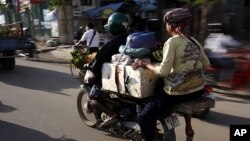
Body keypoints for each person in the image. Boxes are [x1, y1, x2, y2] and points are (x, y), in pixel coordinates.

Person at [131, 8, 210, 141]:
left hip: (177, 93)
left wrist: (146, 65)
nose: (166, 27)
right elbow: (207, 64)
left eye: (167, 24)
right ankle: (183, 128)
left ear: (172, 25)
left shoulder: (171, 42)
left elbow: (163, 72)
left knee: (144, 116)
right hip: (198, 90)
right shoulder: (193, 40)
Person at [86, 12, 129, 128]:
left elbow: (98, 62)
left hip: (116, 79)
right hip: (128, 78)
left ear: (112, 26)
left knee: (92, 99)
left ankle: (112, 115)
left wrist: (92, 71)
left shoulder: (110, 44)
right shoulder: (131, 39)